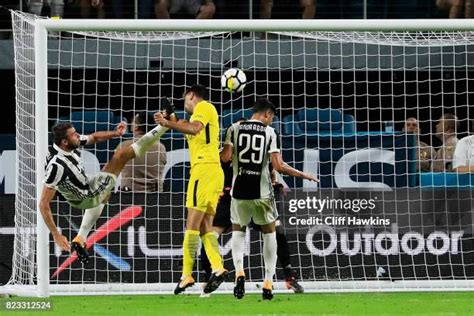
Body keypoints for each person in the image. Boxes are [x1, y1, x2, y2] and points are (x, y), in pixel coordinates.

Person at [40, 105, 174, 263]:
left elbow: (94, 138)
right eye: (74, 135)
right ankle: (164, 125)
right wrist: (56, 234)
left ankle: (80, 239)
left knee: (107, 188)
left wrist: (116, 133)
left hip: (86, 183)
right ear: (64, 142)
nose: (78, 136)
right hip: (85, 197)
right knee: (121, 155)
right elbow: (43, 203)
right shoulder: (56, 166)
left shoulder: (69, 142)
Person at [221, 99, 318, 300]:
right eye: (271, 117)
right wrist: (303, 175)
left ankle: (239, 272)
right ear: (266, 114)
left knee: (238, 230)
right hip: (262, 193)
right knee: (270, 232)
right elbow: (279, 165)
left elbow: (225, 158)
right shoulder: (269, 132)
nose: (271, 121)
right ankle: (268, 282)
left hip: (239, 192)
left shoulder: (234, 128)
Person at [200, 119, 304, 295]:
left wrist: (275, 184)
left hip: (239, 198)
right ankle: (210, 277)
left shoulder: (246, 151)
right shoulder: (226, 153)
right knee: (210, 236)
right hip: (231, 199)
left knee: (277, 233)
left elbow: (271, 172)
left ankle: (289, 277)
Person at [155, 84, 226, 295]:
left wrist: (167, 121)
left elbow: (194, 128)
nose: (185, 102)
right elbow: (183, 125)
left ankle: (186, 274)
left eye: (185, 98)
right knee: (205, 226)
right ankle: (218, 267)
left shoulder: (203, 107)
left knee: (192, 225)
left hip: (203, 170)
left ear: (192, 96)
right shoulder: (197, 116)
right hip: (212, 171)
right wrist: (168, 117)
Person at [118, 112, 167, 192]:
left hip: (128, 197)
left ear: (136, 126)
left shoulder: (123, 146)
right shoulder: (161, 147)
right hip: (155, 198)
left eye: (133, 121)